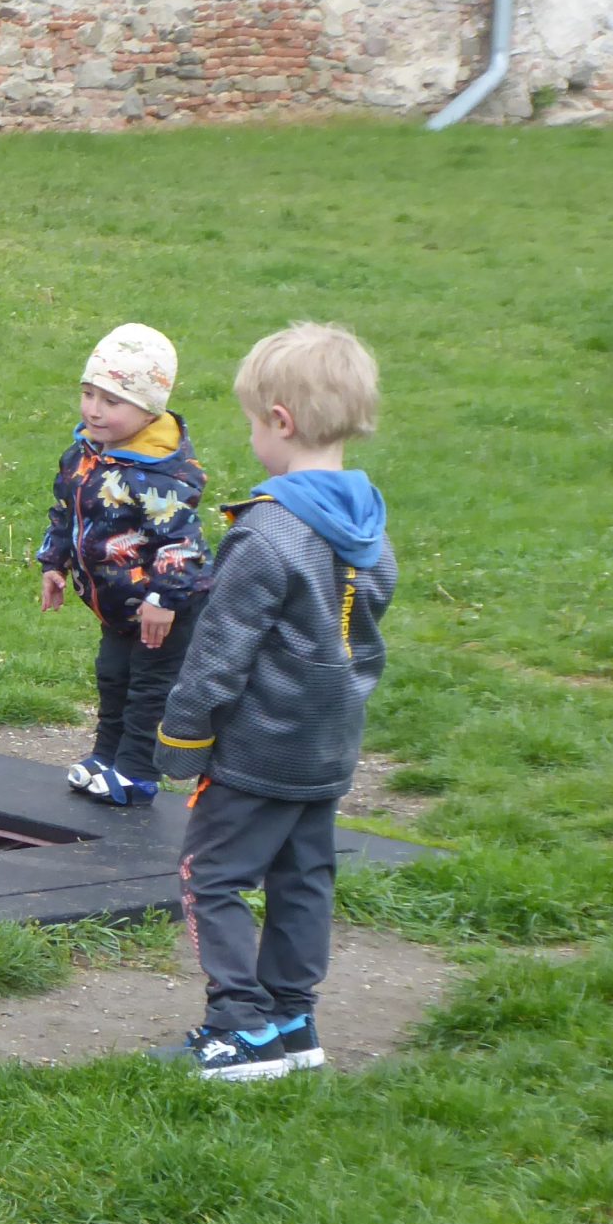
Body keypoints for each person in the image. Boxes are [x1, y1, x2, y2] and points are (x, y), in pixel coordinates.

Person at [153, 323, 396, 1079]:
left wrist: (182, 739)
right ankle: (293, 1019)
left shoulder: (266, 534)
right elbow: (361, 637)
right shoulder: (371, 529)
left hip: (256, 751)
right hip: (326, 746)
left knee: (212, 877)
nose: (253, 434)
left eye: (254, 421)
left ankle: (240, 1029)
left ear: (280, 422)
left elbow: (219, 653)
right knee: (303, 877)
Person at [38, 323, 214, 806]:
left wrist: (163, 599)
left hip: (164, 608)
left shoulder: (157, 474)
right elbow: (66, 511)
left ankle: (136, 773)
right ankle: (106, 757)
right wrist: (54, 562)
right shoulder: (84, 456)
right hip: (119, 606)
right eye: (88, 393)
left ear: (149, 410)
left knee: (147, 689)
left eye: (112, 401)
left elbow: (182, 544)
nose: (93, 409)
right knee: (113, 676)